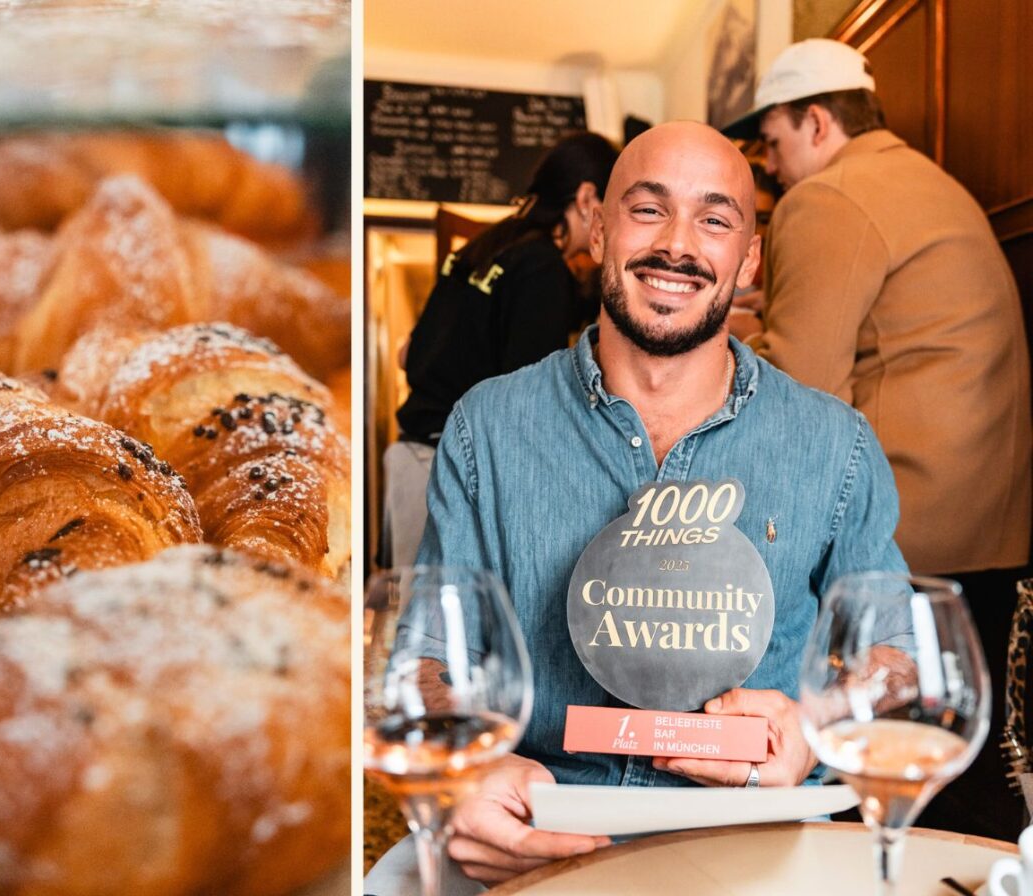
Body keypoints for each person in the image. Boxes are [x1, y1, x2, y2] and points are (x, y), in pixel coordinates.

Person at [414, 121, 908, 884]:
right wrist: (456, 770)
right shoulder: (488, 427)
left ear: (747, 261)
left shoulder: (835, 444)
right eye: (649, 209)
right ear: (600, 229)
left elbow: (897, 656)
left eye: (714, 219)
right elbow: (426, 659)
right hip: (547, 827)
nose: (678, 245)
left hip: (762, 834)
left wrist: (817, 726)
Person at [725, 38, 1032, 840]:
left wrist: (709, 344)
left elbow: (801, 389)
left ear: (818, 123)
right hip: (989, 517)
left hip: (912, 514)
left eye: (776, 143)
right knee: (963, 782)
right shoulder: (931, 181)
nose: (773, 167)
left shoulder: (827, 199)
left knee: (886, 768)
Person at [381, 132, 619, 570]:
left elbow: (410, 354)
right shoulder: (542, 267)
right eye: (617, 205)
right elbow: (530, 402)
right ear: (588, 198)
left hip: (412, 458)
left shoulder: (486, 246)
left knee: (415, 627)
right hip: (455, 475)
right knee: (451, 630)